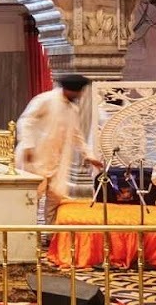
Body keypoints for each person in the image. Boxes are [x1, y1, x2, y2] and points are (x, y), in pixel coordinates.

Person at [14, 74, 103, 218]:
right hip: (35, 157)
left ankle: (50, 236)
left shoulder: (72, 109)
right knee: (31, 197)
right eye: (79, 92)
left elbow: (76, 136)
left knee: (56, 196)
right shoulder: (45, 99)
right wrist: (28, 145)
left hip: (58, 161)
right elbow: (26, 121)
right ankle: (28, 235)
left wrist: (90, 156)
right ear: (70, 90)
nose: (80, 95)